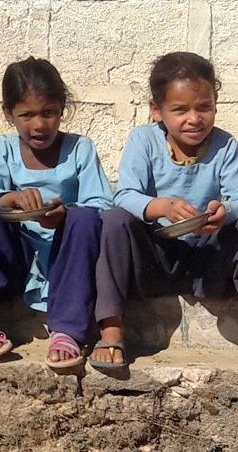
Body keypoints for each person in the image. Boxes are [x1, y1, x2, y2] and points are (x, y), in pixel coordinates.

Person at [0, 57, 112, 370]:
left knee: (85, 219)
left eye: (48, 113)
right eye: (26, 115)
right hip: (18, 257)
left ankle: (67, 330)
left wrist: (64, 214)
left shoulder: (80, 148)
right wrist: (11, 198)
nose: (39, 125)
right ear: (8, 114)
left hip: (65, 256)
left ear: (61, 110)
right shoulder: (3, 148)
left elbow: (102, 202)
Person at [91, 52, 238, 370]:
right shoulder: (143, 140)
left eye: (204, 107)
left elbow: (237, 198)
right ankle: (112, 330)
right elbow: (125, 195)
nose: (194, 119)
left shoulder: (225, 147)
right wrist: (160, 206)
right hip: (155, 259)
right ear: (156, 111)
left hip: (206, 258)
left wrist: (223, 212)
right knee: (114, 221)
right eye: (180, 109)